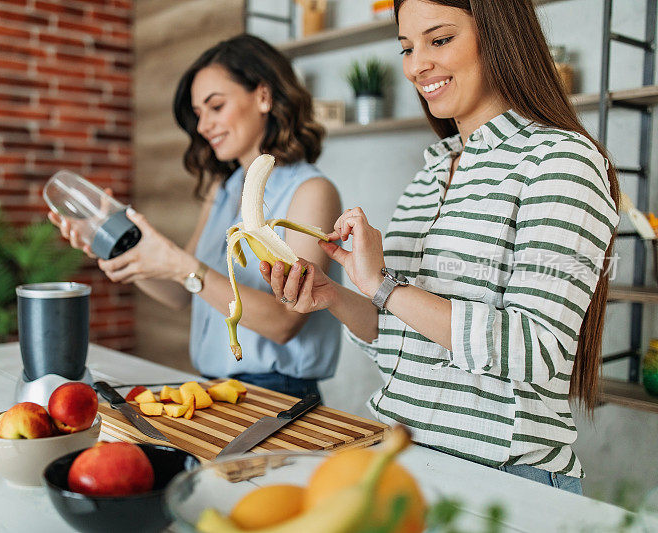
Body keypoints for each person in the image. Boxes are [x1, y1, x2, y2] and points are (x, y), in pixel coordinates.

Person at [263, 0, 619, 493]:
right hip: (402, 463)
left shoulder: (562, 160)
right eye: (407, 48)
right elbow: (405, 339)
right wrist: (336, 297)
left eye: (440, 39)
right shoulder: (432, 172)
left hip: (503, 482)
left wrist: (383, 287)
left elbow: (539, 349)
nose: (416, 65)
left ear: (499, 37)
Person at [50, 34, 342, 399]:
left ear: (264, 96)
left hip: (279, 395)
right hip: (213, 387)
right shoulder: (222, 191)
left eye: (215, 106)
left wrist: (180, 264)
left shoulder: (312, 192)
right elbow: (180, 293)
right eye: (198, 114)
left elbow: (285, 322)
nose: (203, 126)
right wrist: (119, 248)